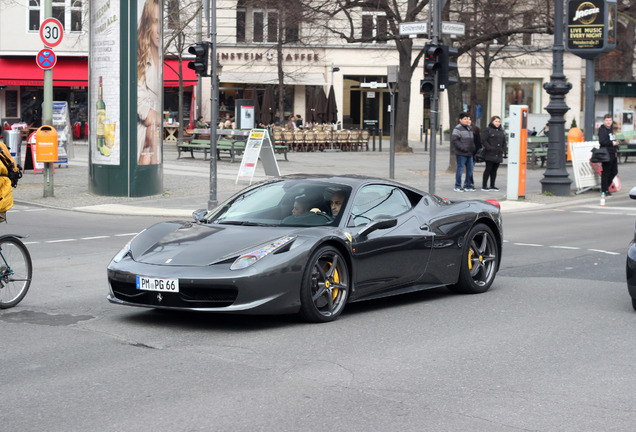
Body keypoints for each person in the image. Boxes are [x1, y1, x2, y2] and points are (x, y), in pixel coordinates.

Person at [136, 0, 161, 165]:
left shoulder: (160, 58)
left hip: (155, 137)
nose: (159, 31)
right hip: (143, 137)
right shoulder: (138, 58)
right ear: (147, 25)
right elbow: (147, 114)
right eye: (155, 22)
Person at [481, 115, 507, 191]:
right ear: (492, 121)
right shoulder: (488, 130)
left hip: (498, 153)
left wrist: (503, 149)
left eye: (499, 121)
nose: (498, 123)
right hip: (490, 153)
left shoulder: (501, 131)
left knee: (494, 170)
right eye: (496, 121)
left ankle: (492, 185)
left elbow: (504, 142)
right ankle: (484, 185)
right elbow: (484, 140)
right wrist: (489, 148)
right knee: (488, 169)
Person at [451, 112, 476, 192]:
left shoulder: (469, 128)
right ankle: (457, 186)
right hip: (461, 153)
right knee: (460, 169)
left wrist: (473, 148)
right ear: (460, 120)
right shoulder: (457, 129)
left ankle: (467, 185)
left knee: (470, 169)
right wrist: (463, 148)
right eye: (464, 119)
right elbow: (455, 140)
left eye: (467, 119)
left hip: (470, 153)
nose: (466, 121)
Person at [598, 113, 619, 196]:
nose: (608, 122)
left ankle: (606, 187)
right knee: (606, 172)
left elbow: (612, 139)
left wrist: (616, 143)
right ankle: (604, 190)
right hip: (606, 153)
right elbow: (602, 141)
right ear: (604, 121)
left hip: (613, 153)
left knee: (614, 171)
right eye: (607, 120)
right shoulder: (602, 129)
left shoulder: (611, 129)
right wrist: (612, 143)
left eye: (610, 120)